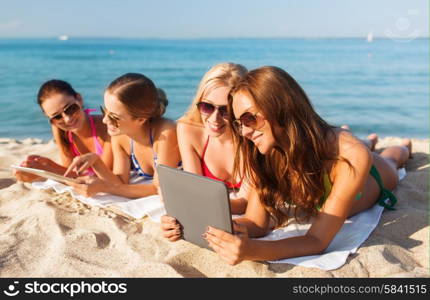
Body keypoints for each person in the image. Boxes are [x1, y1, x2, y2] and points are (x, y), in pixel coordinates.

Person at [203, 66, 412, 265]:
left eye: (250, 118)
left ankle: (403, 146)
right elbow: (256, 223)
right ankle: (369, 140)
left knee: (392, 161)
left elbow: (317, 241)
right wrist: (209, 229)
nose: (245, 131)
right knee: (354, 144)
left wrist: (251, 251)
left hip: (372, 178)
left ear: (280, 106)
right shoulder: (264, 150)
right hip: (323, 148)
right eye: (239, 123)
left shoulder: (352, 155)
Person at [161, 63, 248, 242]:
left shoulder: (251, 138)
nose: (214, 118)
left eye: (225, 110)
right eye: (207, 107)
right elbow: (196, 190)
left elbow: (246, 203)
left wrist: (194, 206)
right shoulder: (188, 130)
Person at [64, 73, 181, 199]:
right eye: (105, 111)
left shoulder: (165, 133)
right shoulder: (120, 137)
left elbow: (159, 188)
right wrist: (96, 161)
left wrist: (104, 186)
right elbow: (120, 182)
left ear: (141, 119)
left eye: (114, 117)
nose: (104, 120)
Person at [14, 80, 113, 182]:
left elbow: (104, 176)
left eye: (70, 109)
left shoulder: (105, 126)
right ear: (49, 118)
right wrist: (43, 166)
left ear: (79, 99)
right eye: (57, 116)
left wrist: (47, 169)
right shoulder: (60, 130)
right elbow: (71, 173)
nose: (67, 119)